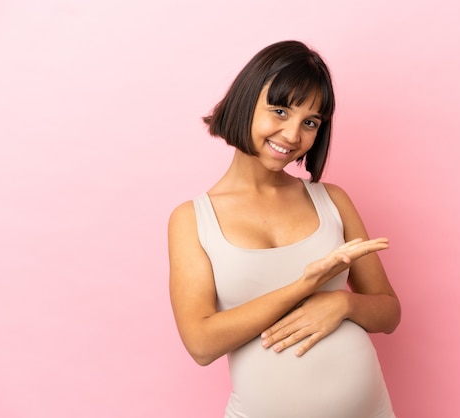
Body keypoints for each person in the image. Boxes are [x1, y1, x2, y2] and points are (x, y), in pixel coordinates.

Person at [168, 40, 401, 418]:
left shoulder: (332, 200)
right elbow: (200, 344)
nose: (293, 136)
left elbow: (389, 313)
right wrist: (305, 286)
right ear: (246, 101)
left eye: (310, 122)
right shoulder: (193, 219)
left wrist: (342, 303)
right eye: (279, 111)